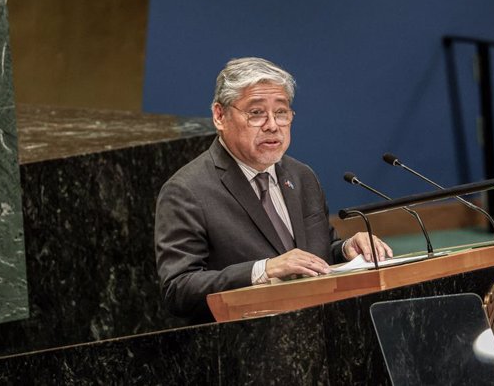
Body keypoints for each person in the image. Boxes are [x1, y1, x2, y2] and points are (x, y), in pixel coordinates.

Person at [155, 57, 392, 324]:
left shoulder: (302, 176)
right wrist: (262, 271)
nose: (272, 125)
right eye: (256, 113)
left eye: (281, 113)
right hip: (246, 344)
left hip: (319, 332)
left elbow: (318, 254)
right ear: (220, 116)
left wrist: (347, 249)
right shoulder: (187, 190)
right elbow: (178, 289)